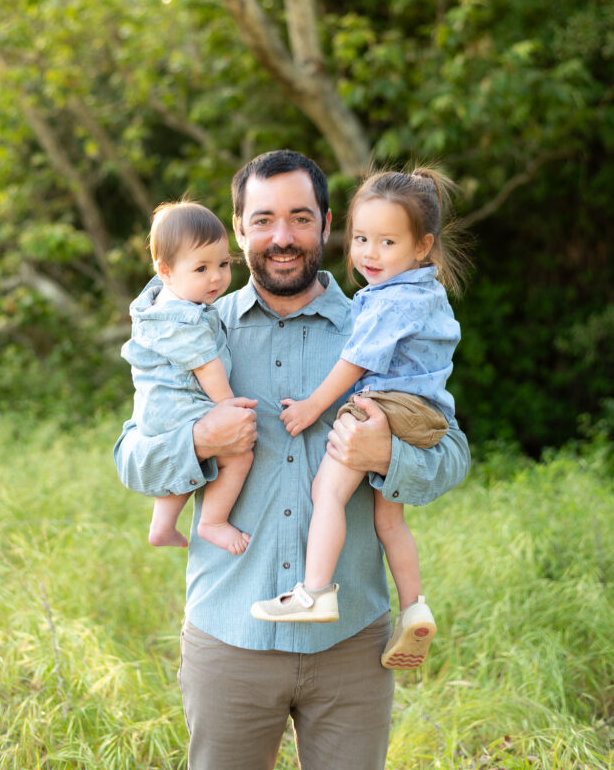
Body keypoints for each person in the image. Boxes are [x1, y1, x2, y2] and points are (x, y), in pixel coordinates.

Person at [113, 150, 471, 770]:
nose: (282, 237)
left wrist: (385, 454)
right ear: (239, 227)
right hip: (228, 638)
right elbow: (132, 458)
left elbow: (452, 454)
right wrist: (200, 441)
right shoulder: (194, 328)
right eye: (264, 220)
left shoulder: (378, 324)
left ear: (328, 224)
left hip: (350, 645)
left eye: (300, 218)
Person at [251, 168, 466, 672]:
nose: (370, 253)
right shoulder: (420, 292)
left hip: (390, 406)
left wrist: (312, 408)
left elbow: (355, 362)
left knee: (327, 491)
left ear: (422, 247)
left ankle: (315, 591)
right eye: (363, 238)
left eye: (387, 242)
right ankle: (415, 607)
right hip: (421, 410)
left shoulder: (390, 301)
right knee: (388, 518)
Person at [121, 201, 254, 555]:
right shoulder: (184, 319)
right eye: (201, 268)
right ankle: (213, 521)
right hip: (179, 404)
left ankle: (162, 525)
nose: (217, 277)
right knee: (237, 455)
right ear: (165, 271)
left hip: (159, 410)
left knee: (189, 458)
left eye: (224, 264)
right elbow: (206, 366)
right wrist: (227, 406)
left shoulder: (162, 307)